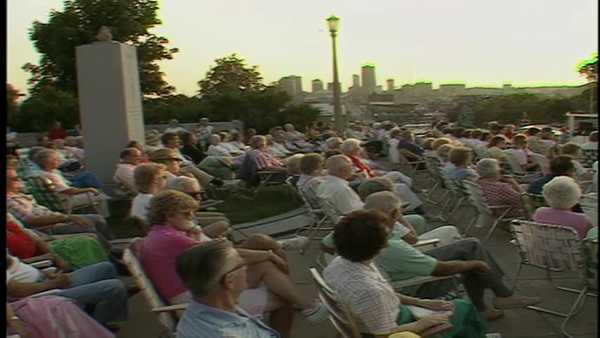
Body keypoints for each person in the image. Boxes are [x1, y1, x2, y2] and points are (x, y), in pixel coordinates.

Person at [139, 191, 325, 337]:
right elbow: (224, 254)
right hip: (199, 300)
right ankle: (303, 306)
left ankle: (306, 305)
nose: (191, 217)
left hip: (198, 290)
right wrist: (269, 255)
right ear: (169, 215)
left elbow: (216, 250)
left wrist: (194, 231)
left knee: (267, 267)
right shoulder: (172, 238)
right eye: (186, 214)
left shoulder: (161, 234)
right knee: (283, 296)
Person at [323, 210, 488, 337]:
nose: (387, 243)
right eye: (386, 239)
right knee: (463, 308)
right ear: (379, 247)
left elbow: (384, 293)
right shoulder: (369, 290)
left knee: (455, 309)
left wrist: (421, 302)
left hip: (386, 314)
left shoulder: (338, 264)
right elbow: (384, 334)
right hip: (397, 325)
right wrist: (422, 324)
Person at [175, 240, 282, 338]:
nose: (246, 268)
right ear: (229, 281)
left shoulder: (200, 311)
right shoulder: (228, 334)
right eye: (242, 264)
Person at [7, 253, 127, 326]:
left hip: (46, 281)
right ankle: (94, 327)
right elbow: (17, 291)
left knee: (106, 267)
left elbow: (18, 265)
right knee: (114, 287)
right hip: (40, 295)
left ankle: (99, 314)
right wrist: (53, 283)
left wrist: (45, 273)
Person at [7, 168, 114, 245]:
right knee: (87, 225)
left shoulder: (19, 195)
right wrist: (67, 217)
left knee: (98, 218)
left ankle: (111, 247)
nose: (20, 180)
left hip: (56, 218)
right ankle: (110, 256)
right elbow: (31, 220)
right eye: (15, 178)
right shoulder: (9, 201)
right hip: (47, 228)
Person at [31, 149, 111, 217]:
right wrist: (89, 189)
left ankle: (92, 215)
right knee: (100, 196)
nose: (59, 161)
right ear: (50, 162)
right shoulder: (52, 176)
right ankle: (104, 217)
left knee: (89, 179)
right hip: (67, 201)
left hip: (57, 202)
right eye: (56, 159)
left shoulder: (40, 174)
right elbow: (69, 191)